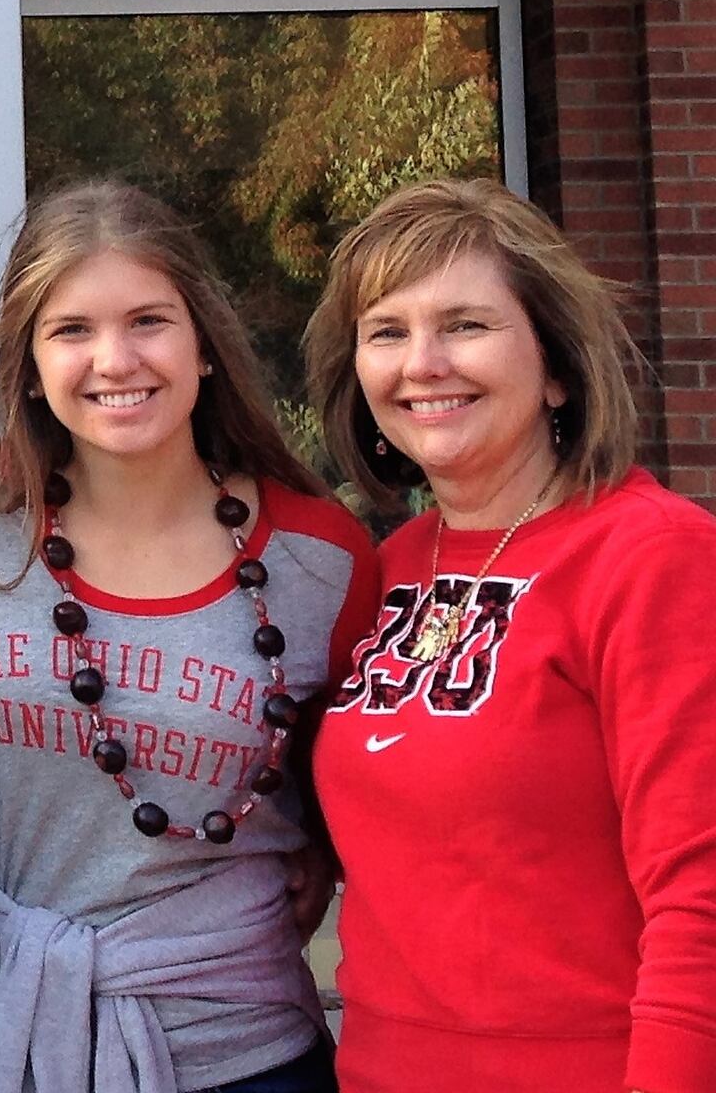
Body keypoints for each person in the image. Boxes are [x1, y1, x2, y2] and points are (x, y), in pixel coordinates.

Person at [0, 182, 379, 1093]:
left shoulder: (322, 559)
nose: (115, 359)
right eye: (71, 330)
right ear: (26, 363)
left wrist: (321, 851)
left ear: (204, 343)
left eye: (148, 320)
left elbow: (377, 779)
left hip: (239, 1049)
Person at [303, 177, 716, 1093]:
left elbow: (702, 896)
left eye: (467, 325)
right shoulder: (397, 566)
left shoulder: (652, 558)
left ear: (557, 365)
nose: (423, 363)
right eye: (387, 332)